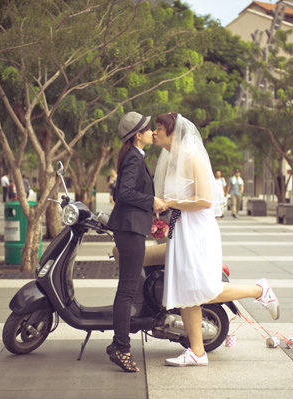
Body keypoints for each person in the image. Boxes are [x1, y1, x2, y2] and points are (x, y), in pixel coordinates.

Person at [153, 112, 279, 367]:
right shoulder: (170, 160)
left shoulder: (192, 156)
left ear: (173, 133)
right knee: (185, 290)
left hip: (197, 229)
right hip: (179, 226)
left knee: (204, 287)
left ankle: (259, 290)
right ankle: (197, 352)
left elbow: (205, 200)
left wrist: (169, 203)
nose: (154, 132)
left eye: (158, 128)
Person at [106, 111, 167, 372]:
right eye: (148, 128)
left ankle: (118, 344)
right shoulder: (133, 157)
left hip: (131, 228)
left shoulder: (136, 156)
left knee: (127, 288)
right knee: (127, 290)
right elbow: (124, 193)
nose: (152, 131)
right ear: (138, 135)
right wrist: (151, 201)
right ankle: (120, 347)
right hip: (129, 230)